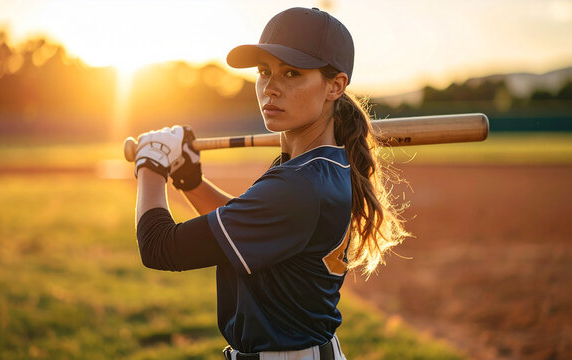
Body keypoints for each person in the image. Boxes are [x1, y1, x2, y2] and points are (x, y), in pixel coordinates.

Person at [133, 7, 409, 360]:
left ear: (335, 86)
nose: (270, 88)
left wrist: (151, 163)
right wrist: (190, 181)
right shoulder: (318, 166)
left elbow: (160, 248)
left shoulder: (299, 186)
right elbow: (244, 226)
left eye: (292, 73)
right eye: (264, 72)